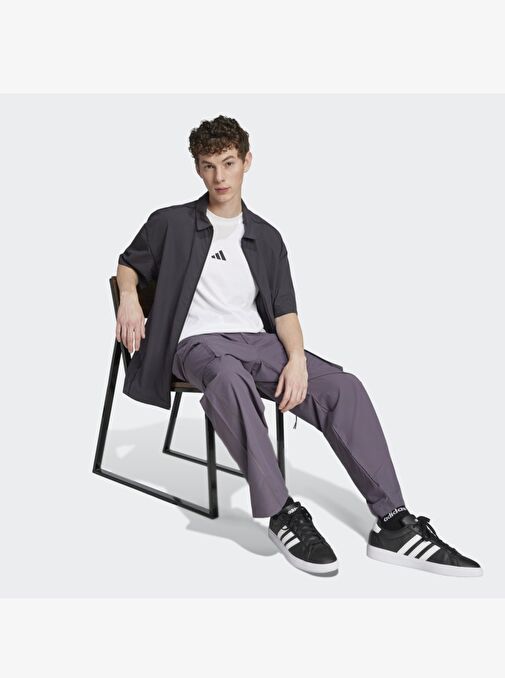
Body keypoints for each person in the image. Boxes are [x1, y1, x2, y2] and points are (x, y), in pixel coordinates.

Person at [115, 115, 482, 578]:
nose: (219, 176)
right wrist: (129, 297)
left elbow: (285, 312)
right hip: (196, 344)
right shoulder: (170, 222)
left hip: (258, 342)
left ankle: (393, 522)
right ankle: (281, 511)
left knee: (344, 387)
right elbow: (128, 264)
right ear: (197, 169)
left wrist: (296, 360)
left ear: (247, 161)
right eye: (208, 165)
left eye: (228, 163)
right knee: (229, 378)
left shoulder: (266, 237)